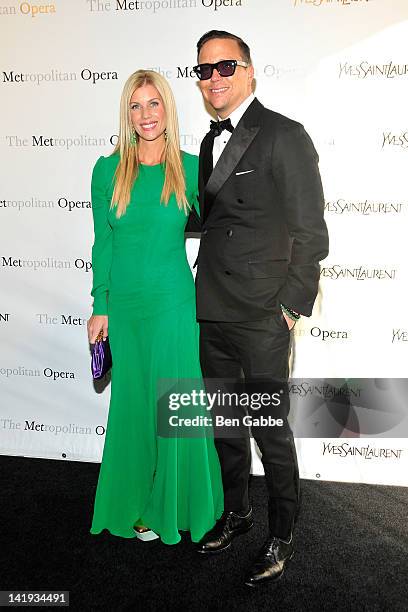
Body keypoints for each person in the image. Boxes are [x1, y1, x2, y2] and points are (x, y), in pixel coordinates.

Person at [192, 31, 329, 585]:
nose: (215, 77)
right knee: (226, 423)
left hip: (263, 315)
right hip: (213, 312)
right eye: (204, 70)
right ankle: (237, 512)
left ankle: (282, 532)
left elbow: (311, 232)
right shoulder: (206, 144)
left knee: (269, 428)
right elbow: (212, 222)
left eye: (225, 66)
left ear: (249, 72)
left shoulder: (284, 135)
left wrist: (291, 309)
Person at [87, 70, 223, 545]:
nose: (146, 115)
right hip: (124, 306)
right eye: (136, 106)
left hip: (172, 303)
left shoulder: (190, 167)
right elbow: (103, 242)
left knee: (174, 403)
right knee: (133, 406)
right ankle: (136, 503)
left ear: (167, 108)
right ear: (127, 114)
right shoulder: (108, 170)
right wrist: (99, 304)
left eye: (154, 104)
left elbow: (226, 229)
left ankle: (179, 505)